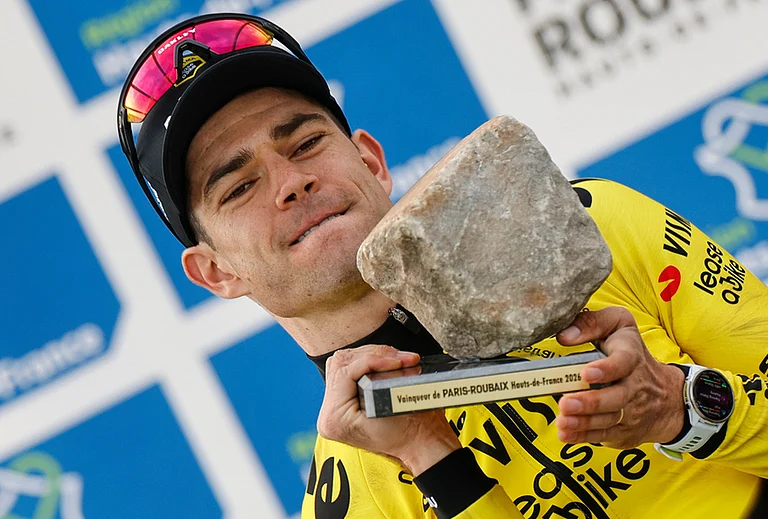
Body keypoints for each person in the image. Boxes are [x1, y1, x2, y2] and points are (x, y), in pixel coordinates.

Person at [117, 13, 768, 519]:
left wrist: (681, 408)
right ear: (216, 272)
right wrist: (428, 454)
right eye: (239, 186)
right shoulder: (343, 502)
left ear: (371, 161)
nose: (291, 182)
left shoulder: (588, 224)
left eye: (306, 142)